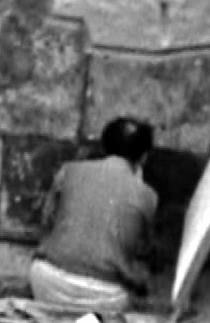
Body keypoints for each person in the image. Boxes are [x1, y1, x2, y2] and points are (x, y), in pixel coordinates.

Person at [29, 117, 159, 313]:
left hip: (46, 282)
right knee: (142, 275)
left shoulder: (69, 170)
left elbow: (46, 221)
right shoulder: (147, 195)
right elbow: (144, 248)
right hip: (105, 298)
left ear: (104, 145)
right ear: (144, 157)